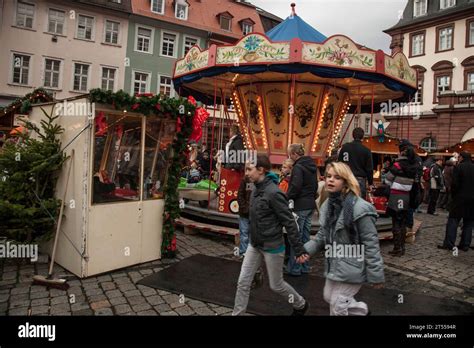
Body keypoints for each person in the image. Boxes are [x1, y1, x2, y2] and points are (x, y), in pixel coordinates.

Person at [301, 162, 385, 316]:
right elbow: (322, 235)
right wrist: (306, 250)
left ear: (346, 181)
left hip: (353, 265)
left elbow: (371, 243)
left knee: (338, 303)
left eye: (337, 177)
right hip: (334, 263)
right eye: (328, 176)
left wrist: (376, 274)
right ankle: (362, 311)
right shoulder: (328, 205)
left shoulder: (360, 208)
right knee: (329, 297)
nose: (330, 180)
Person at [233, 154, 310, 316]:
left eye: (249, 169)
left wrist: (299, 249)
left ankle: (300, 304)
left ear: (261, 170)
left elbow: (289, 221)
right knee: (243, 282)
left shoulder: (274, 193)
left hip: (272, 247)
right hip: (255, 245)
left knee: (276, 285)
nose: (246, 173)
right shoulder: (255, 189)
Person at [286, 144, 318, 276]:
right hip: (310, 205)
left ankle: (294, 268)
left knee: (296, 237)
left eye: (289, 154)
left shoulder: (298, 167)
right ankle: (304, 266)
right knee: (305, 237)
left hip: (300, 205)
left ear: (294, 154)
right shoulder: (311, 166)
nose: (289, 157)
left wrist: (287, 197)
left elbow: (296, 186)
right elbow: (315, 185)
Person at [385, 145, 418, 256]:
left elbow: (388, 180)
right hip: (406, 196)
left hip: (395, 195)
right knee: (403, 222)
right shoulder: (414, 167)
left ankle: (397, 248)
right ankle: (402, 247)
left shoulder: (397, 165)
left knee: (395, 222)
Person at [438, 152, 474, 252]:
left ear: (462, 158)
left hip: (459, 198)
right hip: (472, 200)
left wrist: (453, 196)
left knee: (453, 221)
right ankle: (465, 244)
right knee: (469, 223)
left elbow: (454, 184)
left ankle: (449, 243)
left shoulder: (459, 167)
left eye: (458, 157)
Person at [338, 127, 373, 199]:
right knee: (358, 203)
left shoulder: (344, 147)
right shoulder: (366, 150)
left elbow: (339, 164)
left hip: (346, 178)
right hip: (359, 180)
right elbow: (369, 169)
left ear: (352, 135)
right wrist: (370, 183)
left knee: (344, 200)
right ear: (362, 136)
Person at [237, 176, 253, 256]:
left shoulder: (260, 181)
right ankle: (243, 252)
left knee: (251, 235)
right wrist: (244, 208)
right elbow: (240, 195)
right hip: (244, 213)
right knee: (244, 234)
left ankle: (249, 253)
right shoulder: (245, 180)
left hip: (254, 214)